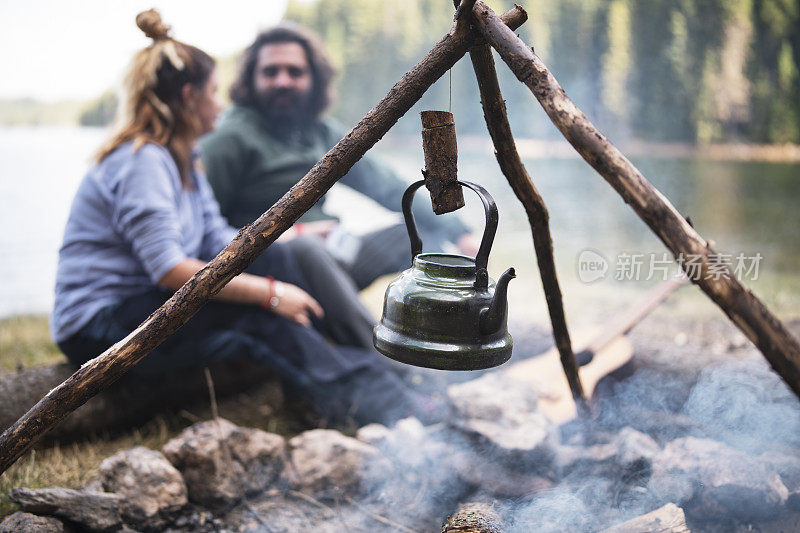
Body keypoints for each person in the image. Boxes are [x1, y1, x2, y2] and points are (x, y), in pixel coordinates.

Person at [51, 10, 441, 426]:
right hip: (101, 325)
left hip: (146, 303)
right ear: (188, 96)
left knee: (293, 256)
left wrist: (298, 237)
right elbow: (167, 269)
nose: (220, 103)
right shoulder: (143, 160)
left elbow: (217, 239)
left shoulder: (184, 160)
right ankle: (390, 407)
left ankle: (390, 372)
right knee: (261, 318)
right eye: (213, 92)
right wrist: (271, 294)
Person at [200, 23, 479, 290]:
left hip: (333, 253)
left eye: (294, 72)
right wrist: (291, 238)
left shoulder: (319, 130)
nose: (282, 81)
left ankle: (437, 321)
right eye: (271, 72)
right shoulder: (230, 137)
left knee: (425, 238)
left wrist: (459, 232)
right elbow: (204, 229)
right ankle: (358, 332)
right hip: (271, 266)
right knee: (309, 251)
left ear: (314, 79)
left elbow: (386, 185)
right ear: (251, 79)